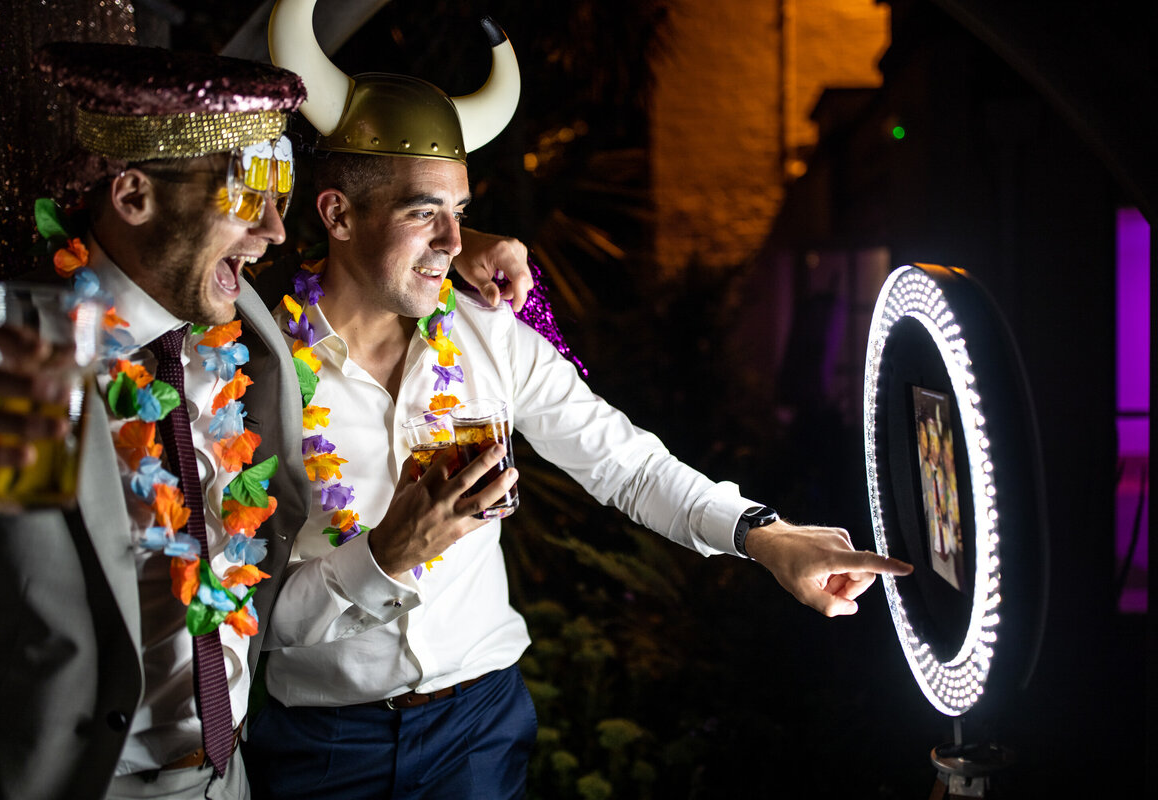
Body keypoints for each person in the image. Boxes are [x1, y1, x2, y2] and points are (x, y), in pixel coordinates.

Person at [242, 4, 914, 798]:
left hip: (476, 731)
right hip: (320, 747)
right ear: (337, 214)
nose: (456, 243)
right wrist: (384, 556)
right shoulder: (256, 371)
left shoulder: (488, 335)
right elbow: (256, 620)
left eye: (461, 213)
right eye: (425, 212)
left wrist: (763, 537)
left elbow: (625, 464)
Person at [0, 41, 531, 800]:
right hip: (94, 781)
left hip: (234, 777)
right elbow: (9, 575)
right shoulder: (22, 358)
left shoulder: (248, 335)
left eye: (281, 188)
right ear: (134, 197)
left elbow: (362, 260)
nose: (272, 229)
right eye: (245, 191)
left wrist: (451, 239)